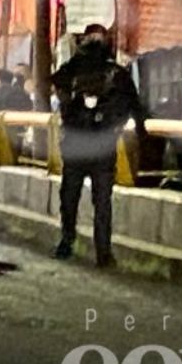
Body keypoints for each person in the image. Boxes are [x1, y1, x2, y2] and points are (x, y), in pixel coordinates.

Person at [50, 23, 147, 267]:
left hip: (78, 146)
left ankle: (69, 241)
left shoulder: (75, 69)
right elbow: (136, 108)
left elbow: (57, 85)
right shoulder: (114, 73)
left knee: (72, 197)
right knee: (100, 201)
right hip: (99, 146)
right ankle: (102, 252)